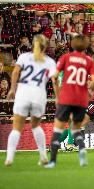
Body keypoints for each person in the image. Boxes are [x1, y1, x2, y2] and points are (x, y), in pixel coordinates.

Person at [45, 35, 94, 168]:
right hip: (81, 99)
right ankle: (81, 151)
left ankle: (52, 161)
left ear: (72, 45)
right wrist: (90, 92)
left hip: (66, 98)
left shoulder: (65, 58)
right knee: (75, 128)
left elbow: (54, 77)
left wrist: (57, 95)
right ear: (85, 46)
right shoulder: (89, 60)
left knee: (58, 129)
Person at [4, 34, 57, 166]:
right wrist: (59, 97)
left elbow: (15, 72)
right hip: (39, 95)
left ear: (33, 45)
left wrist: (12, 89)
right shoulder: (50, 61)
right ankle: (43, 156)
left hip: (23, 93)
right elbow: (55, 80)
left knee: (16, 127)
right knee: (36, 126)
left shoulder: (24, 57)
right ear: (45, 47)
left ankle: (9, 158)